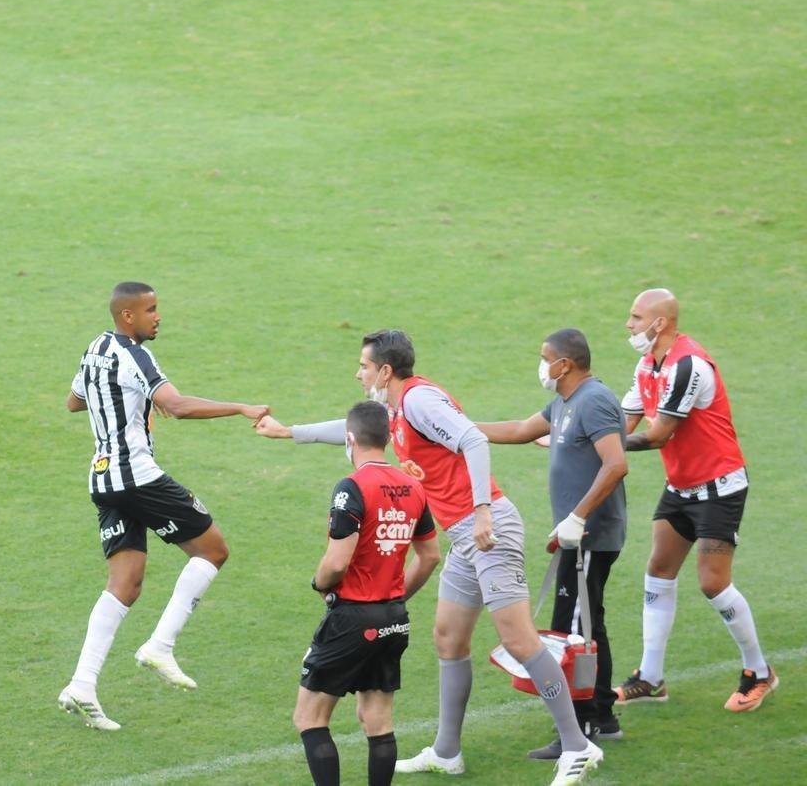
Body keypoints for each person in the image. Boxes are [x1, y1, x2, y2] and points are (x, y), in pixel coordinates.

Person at [257, 330, 603, 785]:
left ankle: (577, 746)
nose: (358, 373)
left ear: (385, 371)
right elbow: (348, 428)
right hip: (465, 537)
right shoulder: (395, 408)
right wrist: (289, 432)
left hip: (487, 529)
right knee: (447, 639)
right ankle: (447, 751)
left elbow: (474, 441)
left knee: (520, 640)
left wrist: (481, 510)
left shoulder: (419, 401)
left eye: (363, 366)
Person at [58, 281, 269, 730]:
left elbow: (74, 401)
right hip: (137, 476)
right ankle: (160, 647)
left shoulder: (94, 347)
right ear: (127, 316)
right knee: (213, 550)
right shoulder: (135, 355)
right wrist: (240, 408)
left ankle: (82, 684)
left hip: (102, 479)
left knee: (126, 583)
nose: (158, 316)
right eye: (151, 310)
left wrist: (129, 406)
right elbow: (177, 405)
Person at [614, 288, 776, 711]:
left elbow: (657, 434)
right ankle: (651, 677)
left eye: (635, 317)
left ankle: (759, 671)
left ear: (660, 323)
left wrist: (603, 447)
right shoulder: (647, 365)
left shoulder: (689, 367)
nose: (629, 326)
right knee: (659, 570)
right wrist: (579, 434)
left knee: (712, 583)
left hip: (720, 490)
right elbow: (622, 421)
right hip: (681, 487)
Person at [476, 328, 629, 758]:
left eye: (546, 357)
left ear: (566, 364)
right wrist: (463, 430)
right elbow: (523, 429)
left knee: (573, 629)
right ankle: (601, 716)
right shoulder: (565, 401)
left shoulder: (594, 400)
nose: (541, 364)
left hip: (589, 536)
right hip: (577, 535)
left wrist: (577, 518)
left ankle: (578, 731)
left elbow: (616, 465)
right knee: (589, 623)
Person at [294, 401, 442, 786]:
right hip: (393, 619)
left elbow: (336, 563)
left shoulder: (352, 487)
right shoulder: (413, 487)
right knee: (376, 720)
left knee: (310, 717)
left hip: (351, 618)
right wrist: (394, 598)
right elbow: (429, 557)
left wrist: (319, 584)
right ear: (388, 437)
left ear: (350, 438)